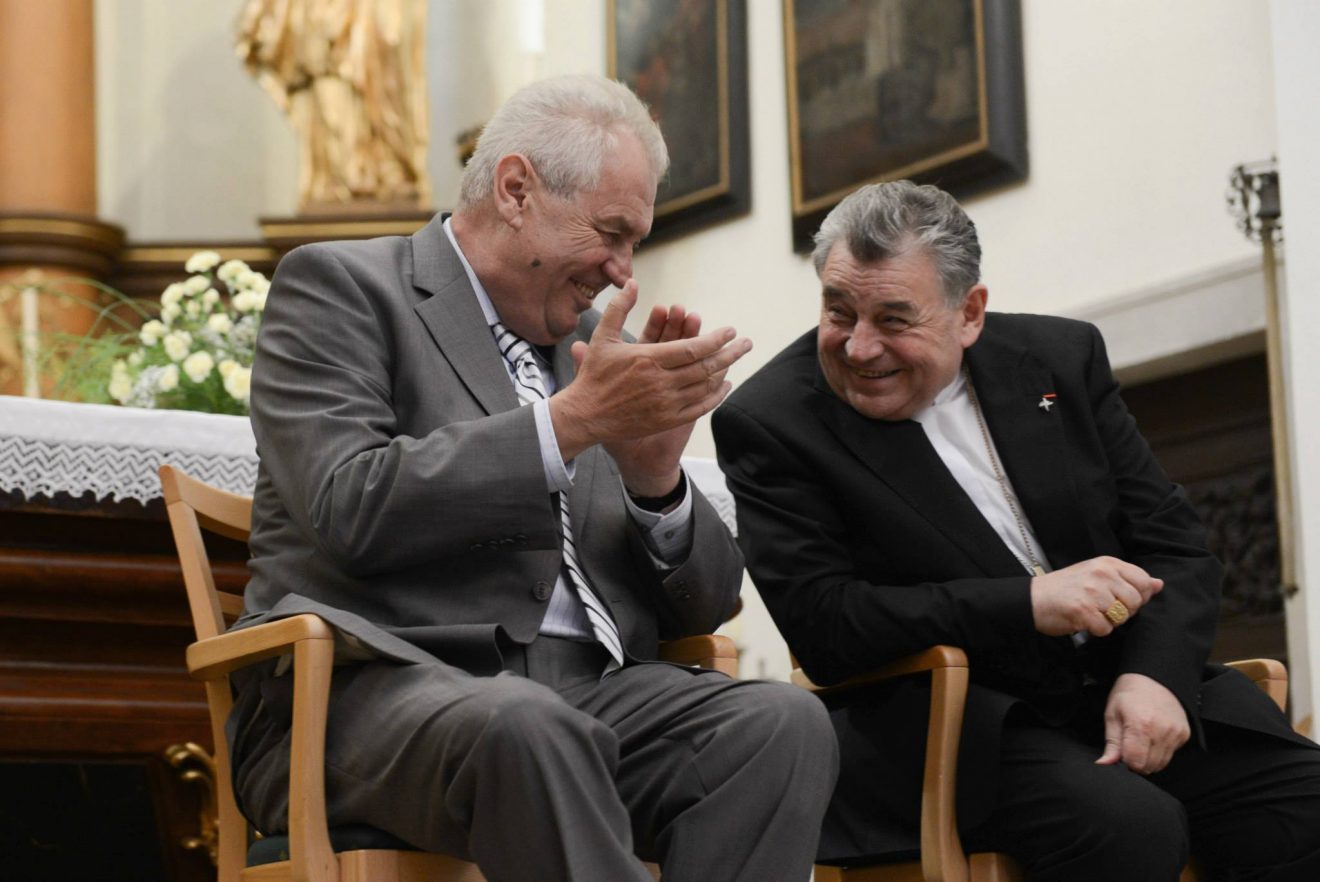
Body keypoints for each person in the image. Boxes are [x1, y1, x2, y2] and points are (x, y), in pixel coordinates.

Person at [230, 74, 837, 882]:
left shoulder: (597, 350)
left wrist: (655, 481)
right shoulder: (342, 289)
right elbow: (349, 508)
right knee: (529, 727)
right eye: (611, 233)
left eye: (635, 242)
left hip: (584, 696)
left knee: (780, 725)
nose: (623, 273)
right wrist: (569, 425)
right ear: (516, 190)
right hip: (373, 690)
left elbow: (705, 607)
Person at [712, 180, 1320, 881]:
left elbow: (1174, 545)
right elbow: (826, 624)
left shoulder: (1058, 357)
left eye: (894, 319)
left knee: (1302, 805)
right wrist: (1028, 603)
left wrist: (1154, 676)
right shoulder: (773, 423)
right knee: (1130, 826)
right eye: (838, 312)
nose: (859, 346)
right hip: (960, 726)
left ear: (969, 313)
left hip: (1119, 683)